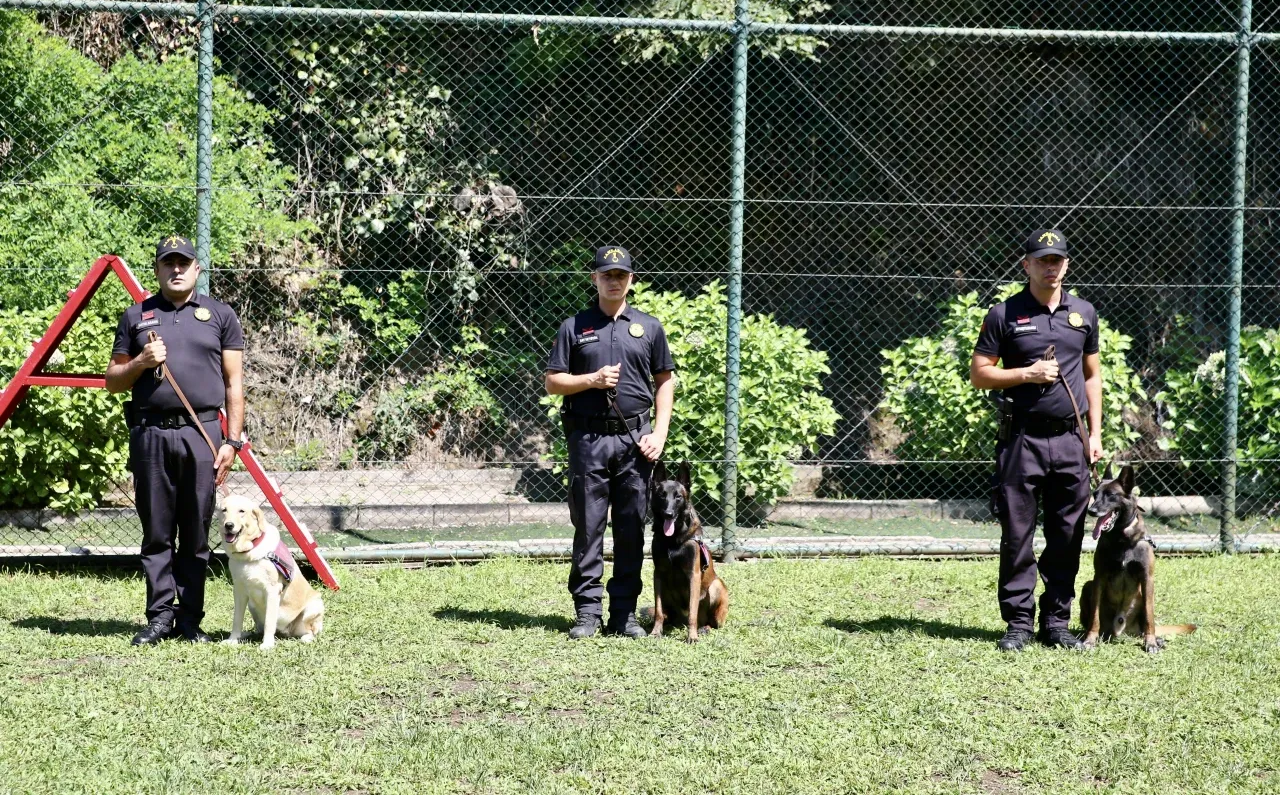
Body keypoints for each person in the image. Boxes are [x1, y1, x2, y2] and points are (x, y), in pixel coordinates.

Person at [106, 234, 245, 645]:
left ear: (197, 269)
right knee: (157, 532)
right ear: (158, 270)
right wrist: (141, 362)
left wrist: (232, 442)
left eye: (184, 262)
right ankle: (160, 618)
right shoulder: (136, 316)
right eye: (169, 263)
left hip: (202, 435)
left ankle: (189, 620)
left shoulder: (220, 315)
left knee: (197, 534)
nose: (177, 269)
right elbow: (113, 381)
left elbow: (234, 384)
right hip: (150, 435)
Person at [970, 229, 1103, 652]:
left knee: (1068, 534)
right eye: (1043, 259)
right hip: (1021, 442)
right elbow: (980, 374)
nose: (1051, 266)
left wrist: (1095, 434)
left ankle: (1057, 622)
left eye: (1058, 259)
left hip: (1071, 443)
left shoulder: (1083, 313)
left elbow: (1092, 376)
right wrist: (1026, 374)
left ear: (1066, 264)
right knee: (1018, 535)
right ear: (1026, 264)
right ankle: (1019, 623)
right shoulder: (1003, 314)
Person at [545, 246, 675, 639]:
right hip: (588, 439)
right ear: (595, 280)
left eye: (621, 275)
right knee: (588, 527)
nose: (614, 280)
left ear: (631, 280)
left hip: (637, 441)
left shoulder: (650, 328)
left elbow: (664, 381)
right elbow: (553, 382)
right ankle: (587, 614)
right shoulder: (574, 326)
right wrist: (592, 380)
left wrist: (660, 433)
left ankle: (624, 615)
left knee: (632, 527)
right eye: (607, 274)